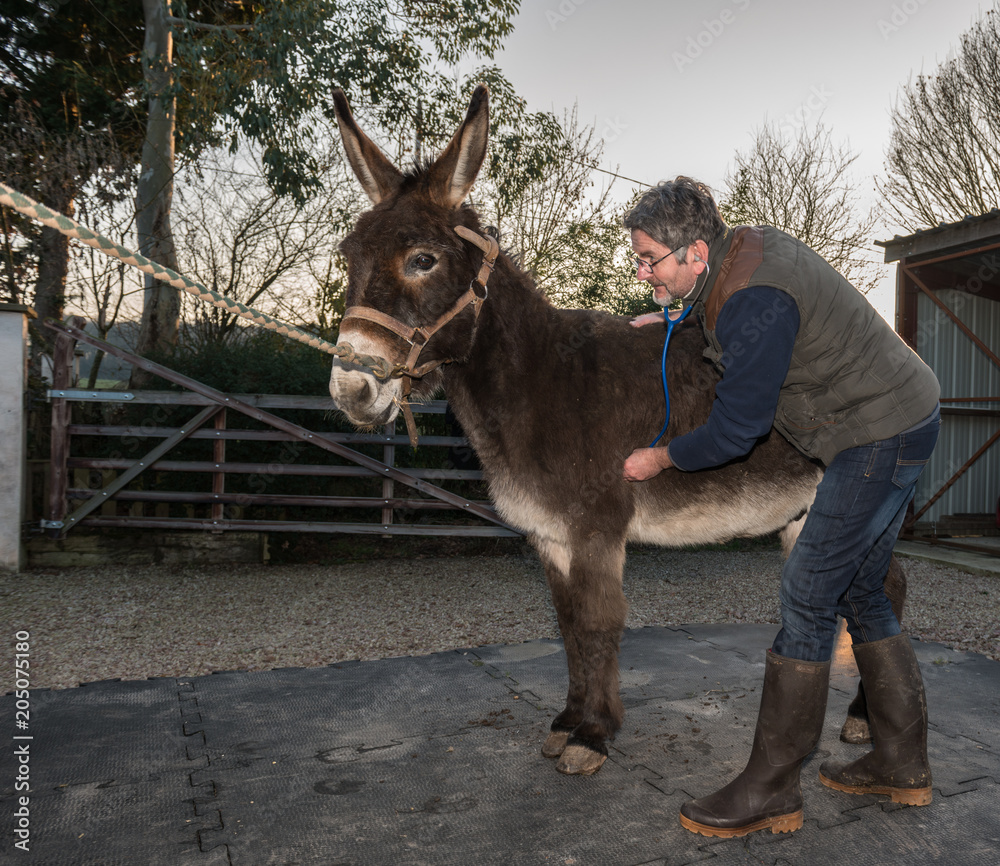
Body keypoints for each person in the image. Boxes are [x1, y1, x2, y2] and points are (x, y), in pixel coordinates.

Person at [622, 177, 941, 838]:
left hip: (877, 434)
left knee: (806, 592)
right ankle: (902, 764)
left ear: (695, 254)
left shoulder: (751, 295)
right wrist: (672, 316)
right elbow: (730, 324)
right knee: (862, 589)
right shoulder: (744, 252)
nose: (641, 268)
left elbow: (738, 431)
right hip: (908, 413)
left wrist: (661, 459)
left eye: (650, 258)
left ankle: (772, 788)